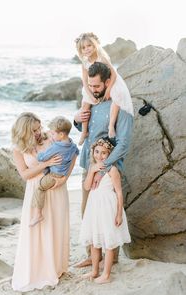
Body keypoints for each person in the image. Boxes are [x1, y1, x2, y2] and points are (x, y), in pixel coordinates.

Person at [74, 61, 134, 267]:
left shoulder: (121, 104)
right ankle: (93, 256)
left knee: (108, 214)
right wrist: (76, 119)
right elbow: (85, 125)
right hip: (88, 164)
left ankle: (112, 259)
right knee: (88, 211)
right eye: (90, 86)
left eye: (97, 86)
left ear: (108, 82)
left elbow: (124, 142)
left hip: (108, 170)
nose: (93, 90)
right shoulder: (93, 99)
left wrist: (104, 169)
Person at [11, 112, 76, 292]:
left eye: (39, 127)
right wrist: (44, 164)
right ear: (24, 131)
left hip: (56, 187)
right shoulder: (18, 149)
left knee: (55, 227)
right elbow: (24, 175)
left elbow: (72, 155)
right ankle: (38, 270)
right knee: (37, 231)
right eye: (34, 130)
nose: (39, 132)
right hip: (35, 190)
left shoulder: (50, 138)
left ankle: (56, 268)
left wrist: (65, 178)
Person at [79, 138, 131, 283]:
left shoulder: (113, 170)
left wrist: (119, 213)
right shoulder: (92, 167)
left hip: (108, 207)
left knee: (108, 242)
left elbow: (119, 193)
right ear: (93, 151)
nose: (99, 156)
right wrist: (93, 170)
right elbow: (87, 187)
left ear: (110, 154)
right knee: (95, 242)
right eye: (97, 152)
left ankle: (106, 274)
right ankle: (94, 271)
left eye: (104, 153)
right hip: (94, 208)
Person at [75, 32, 133, 145]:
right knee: (85, 104)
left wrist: (108, 90)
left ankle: (111, 125)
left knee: (116, 99)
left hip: (110, 82)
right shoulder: (85, 63)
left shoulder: (102, 58)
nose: (86, 49)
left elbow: (114, 74)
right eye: (83, 48)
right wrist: (90, 94)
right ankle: (84, 132)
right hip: (93, 85)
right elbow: (85, 82)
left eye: (89, 46)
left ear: (95, 45)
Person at [30, 116, 79, 227]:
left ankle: (38, 214)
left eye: (52, 134)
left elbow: (42, 158)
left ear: (61, 135)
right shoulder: (72, 145)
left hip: (53, 176)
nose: (50, 136)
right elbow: (76, 152)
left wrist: (35, 153)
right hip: (62, 174)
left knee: (40, 188)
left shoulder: (56, 146)